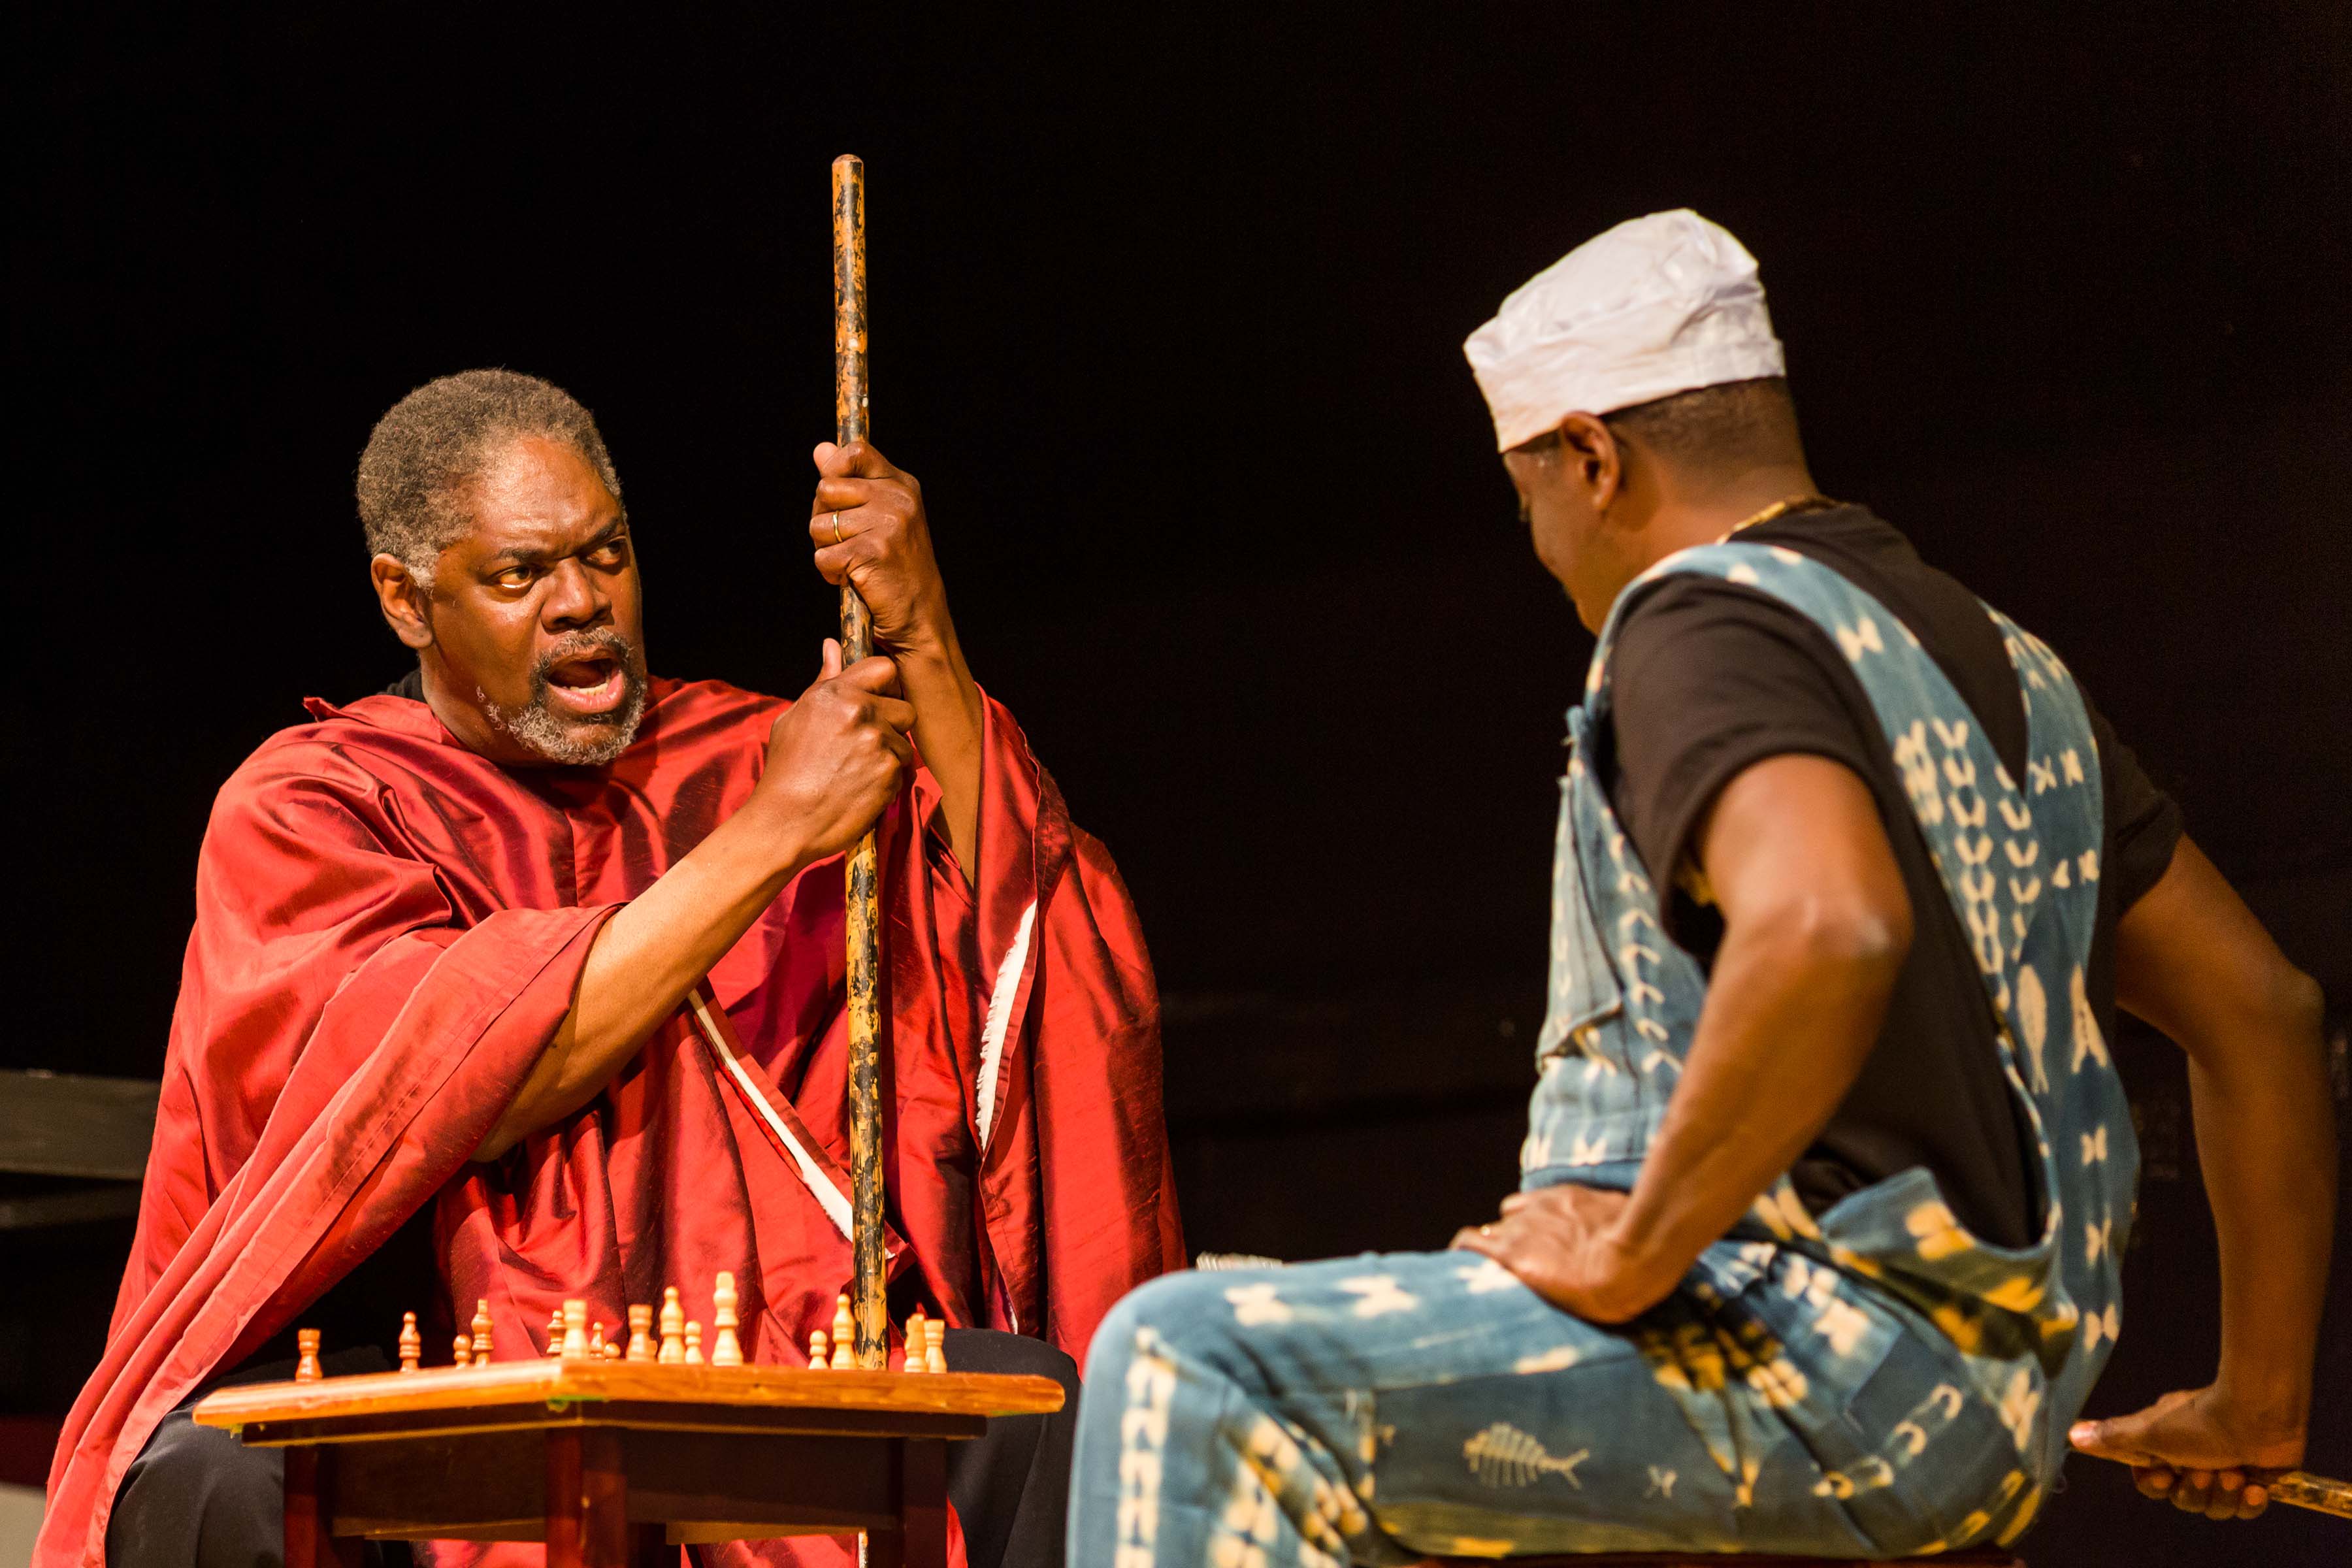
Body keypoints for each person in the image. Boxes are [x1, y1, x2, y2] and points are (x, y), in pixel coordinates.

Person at [1066, 212, 2332, 1563]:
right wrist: (2258, 1405)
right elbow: (2265, 1011)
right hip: (1986, 1415)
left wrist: (1634, 1250)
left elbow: (1826, 922)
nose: (1544, 552)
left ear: (1592, 459)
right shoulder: (2011, 670)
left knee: (1187, 1364)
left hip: (1813, 1366)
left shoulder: (1699, 614)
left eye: (1529, 501)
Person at [41, 370, 1183, 1568]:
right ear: (407, 600)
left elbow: (1025, 931)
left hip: (763, 1333)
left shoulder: (743, 751)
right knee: (211, 1481)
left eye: (608, 555)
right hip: (429, 1352)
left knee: (1036, 1406)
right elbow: (465, 1078)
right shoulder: (317, 805)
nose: (582, 604)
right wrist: (774, 834)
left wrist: (925, 630)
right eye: (520, 575)